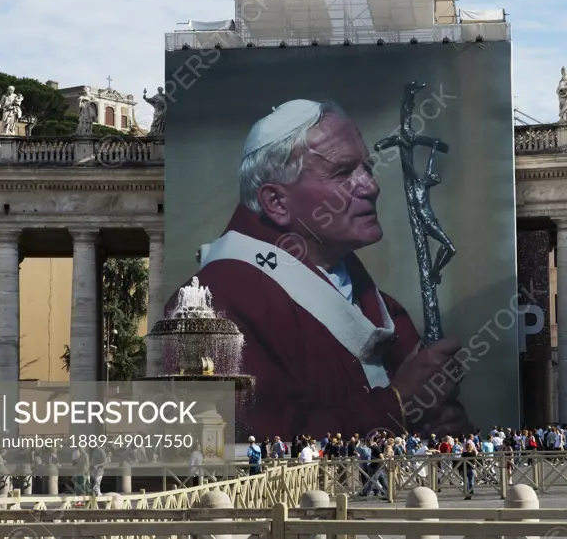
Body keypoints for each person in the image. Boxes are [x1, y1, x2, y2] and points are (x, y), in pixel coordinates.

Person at [167, 100, 471, 439]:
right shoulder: (211, 304)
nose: (371, 186)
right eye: (343, 173)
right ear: (277, 202)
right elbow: (232, 442)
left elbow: (429, 408)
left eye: (367, 167)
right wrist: (397, 405)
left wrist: (445, 421)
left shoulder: (381, 305)